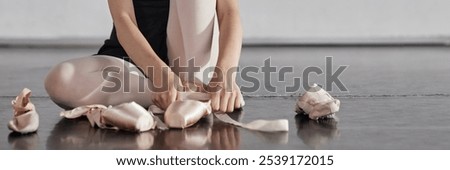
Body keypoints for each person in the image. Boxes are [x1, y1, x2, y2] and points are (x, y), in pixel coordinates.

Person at [44, 0, 244, 113]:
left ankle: (189, 91)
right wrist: (161, 76)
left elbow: (228, 12)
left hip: (191, 64)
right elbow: (123, 19)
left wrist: (224, 76)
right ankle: (190, 96)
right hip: (134, 60)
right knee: (61, 79)